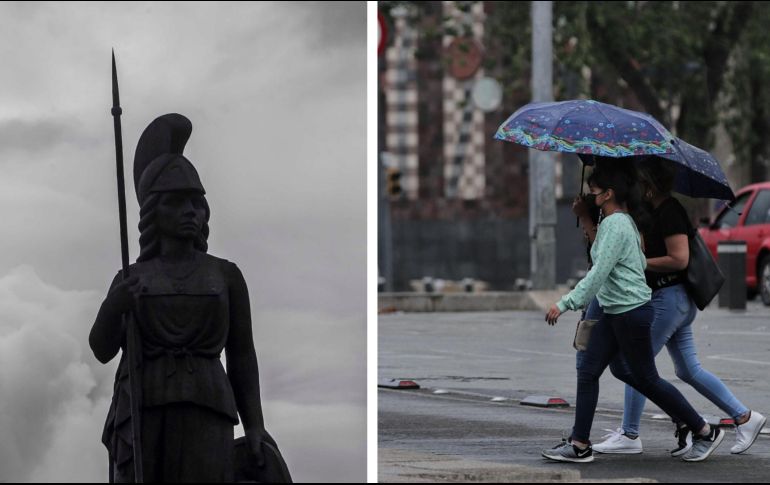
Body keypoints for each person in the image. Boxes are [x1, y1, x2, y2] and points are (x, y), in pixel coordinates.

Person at [89, 114, 273, 482]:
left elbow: (241, 354)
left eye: (196, 203)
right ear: (153, 212)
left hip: (208, 404)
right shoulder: (131, 278)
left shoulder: (225, 275)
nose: (191, 212)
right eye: (177, 202)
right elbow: (101, 349)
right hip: (145, 404)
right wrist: (114, 307)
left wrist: (255, 425)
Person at [541, 164, 725, 464]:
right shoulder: (619, 221)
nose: (590, 196)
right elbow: (625, 262)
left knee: (645, 378)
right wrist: (586, 219)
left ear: (608, 194)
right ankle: (579, 444)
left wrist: (565, 303)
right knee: (592, 370)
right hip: (616, 311)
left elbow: (598, 272)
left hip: (630, 313)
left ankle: (703, 430)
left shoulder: (617, 224)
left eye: (594, 192)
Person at [590, 157, 766, 457]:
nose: (635, 185)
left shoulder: (670, 210)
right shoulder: (650, 211)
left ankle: (631, 434)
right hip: (672, 300)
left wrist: (639, 262)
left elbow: (680, 258)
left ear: (649, 183)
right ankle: (745, 418)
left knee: (636, 364)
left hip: (670, 299)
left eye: (639, 181)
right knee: (688, 369)